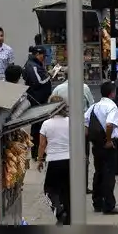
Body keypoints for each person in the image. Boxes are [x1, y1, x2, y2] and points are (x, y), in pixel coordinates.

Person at [83, 81, 118, 215]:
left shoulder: (94, 106)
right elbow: (109, 125)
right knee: (108, 175)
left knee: (98, 173)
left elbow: (85, 124)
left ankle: (97, 203)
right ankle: (109, 205)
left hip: (96, 145)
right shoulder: (112, 106)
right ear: (112, 93)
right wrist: (108, 140)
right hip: (108, 144)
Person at [37, 95, 72, 224]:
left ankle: (59, 210)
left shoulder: (46, 124)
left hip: (54, 160)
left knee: (49, 189)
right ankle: (69, 216)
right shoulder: (71, 121)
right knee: (67, 189)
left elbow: (42, 144)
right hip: (70, 160)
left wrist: (40, 160)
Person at [23, 46, 53, 160]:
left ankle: (38, 152)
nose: (44, 58)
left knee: (38, 126)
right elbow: (38, 81)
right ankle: (37, 153)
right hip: (37, 100)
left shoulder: (34, 64)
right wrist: (49, 75)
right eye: (43, 56)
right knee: (38, 127)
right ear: (38, 54)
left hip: (39, 99)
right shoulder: (32, 66)